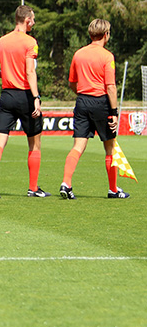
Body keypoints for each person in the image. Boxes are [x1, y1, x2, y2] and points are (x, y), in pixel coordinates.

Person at [60, 19, 126, 199]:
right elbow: (111, 87)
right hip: (101, 103)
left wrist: (82, 94)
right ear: (106, 35)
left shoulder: (78, 54)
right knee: (110, 148)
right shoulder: (107, 56)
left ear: (90, 34)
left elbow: (72, 83)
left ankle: (66, 183)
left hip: (81, 102)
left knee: (78, 146)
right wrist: (114, 113)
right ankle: (113, 189)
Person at [0, 4, 45, 198]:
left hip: (7, 96)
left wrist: (8, 74)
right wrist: (36, 97)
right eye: (33, 20)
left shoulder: (1, 41)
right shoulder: (30, 42)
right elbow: (30, 71)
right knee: (34, 143)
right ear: (27, 20)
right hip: (25, 95)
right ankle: (33, 188)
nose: (34, 23)